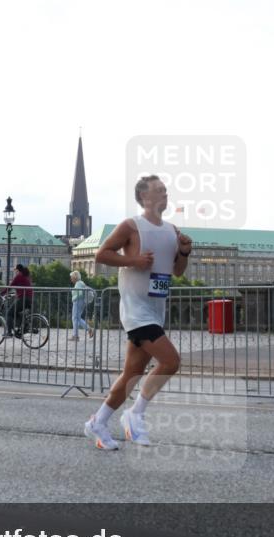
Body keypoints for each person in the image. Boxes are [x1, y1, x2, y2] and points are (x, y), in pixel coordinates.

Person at [83, 175, 192, 450]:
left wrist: (185, 252)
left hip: (156, 309)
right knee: (171, 361)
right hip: (135, 310)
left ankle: (98, 421)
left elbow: (177, 272)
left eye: (166, 190)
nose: (165, 194)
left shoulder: (172, 230)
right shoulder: (131, 226)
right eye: (159, 190)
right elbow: (101, 254)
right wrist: (133, 260)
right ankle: (135, 414)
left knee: (131, 374)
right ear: (144, 197)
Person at [0, 264, 33, 337]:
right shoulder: (26, 276)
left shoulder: (19, 276)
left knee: (9, 313)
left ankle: (9, 333)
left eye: (15, 270)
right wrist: (14, 294)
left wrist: (1, 293)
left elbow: (10, 286)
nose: (15, 272)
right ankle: (23, 327)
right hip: (29, 298)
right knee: (16, 312)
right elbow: (23, 287)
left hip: (23, 298)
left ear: (18, 270)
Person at [69, 270, 95, 342]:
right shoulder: (80, 283)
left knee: (75, 318)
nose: (71, 279)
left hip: (78, 301)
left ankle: (76, 336)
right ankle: (87, 330)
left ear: (75, 277)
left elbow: (79, 293)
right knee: (77, 318)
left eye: (72, 277)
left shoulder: (78, 283)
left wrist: (73, 295)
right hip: (81, 301)